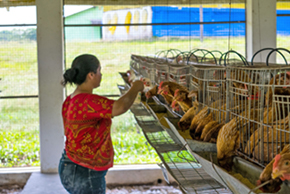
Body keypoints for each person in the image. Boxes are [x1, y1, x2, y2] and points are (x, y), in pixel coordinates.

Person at [58, 54, 144, 194]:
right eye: (99, 71)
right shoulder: (87, 101)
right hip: (84, 170)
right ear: (91, 75)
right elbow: (120, 107)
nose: (101, 74)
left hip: (70, 164)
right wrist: (135, 87)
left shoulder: (71, 100)